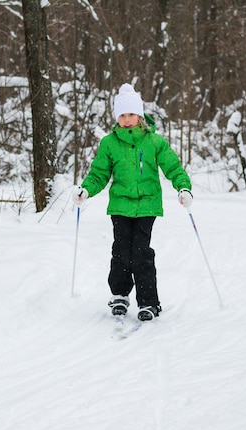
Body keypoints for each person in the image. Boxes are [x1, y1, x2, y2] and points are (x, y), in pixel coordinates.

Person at [73, 83, 193, 321]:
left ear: (139, 116)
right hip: (120, 205)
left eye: (131, 115)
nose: (127, 120)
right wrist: (86, 190)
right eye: (122, 115)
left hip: (147, 205)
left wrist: (183, 187)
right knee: (120, 251)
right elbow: (99, 173)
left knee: (140, 253)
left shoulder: (154, 142)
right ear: (117, 117)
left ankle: (149, 302)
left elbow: (173, 167)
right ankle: (119, 294)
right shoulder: (109, 143)